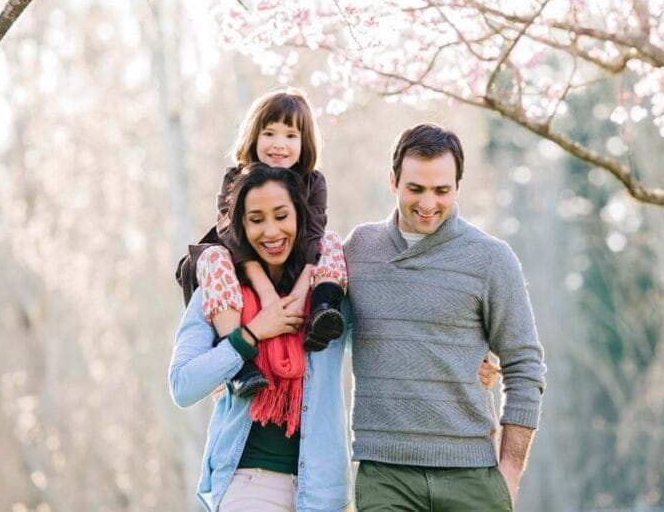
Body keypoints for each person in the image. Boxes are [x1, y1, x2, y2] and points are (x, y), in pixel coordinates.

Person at [344, 123, 546, 511]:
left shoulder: (490, 259)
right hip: (386, 476)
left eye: (442, 190)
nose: (428, 203)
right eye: (415, 188)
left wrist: (509, 473)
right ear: (393, 181)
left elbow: (524, 365)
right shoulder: (359, 250)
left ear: (458, 187)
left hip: (472, 475)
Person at [169, 164, 352, 511]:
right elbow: (182, 385)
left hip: (322, 491)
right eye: (256, 219)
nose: (271, 231)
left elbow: (386, 336)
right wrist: (250, 335)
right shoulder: (222, 292)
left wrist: (470, 358)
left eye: (281, 215)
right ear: (241, 227)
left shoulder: (328, 292)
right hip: (247, 483)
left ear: (301, 219)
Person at [201, 88, 344, 397]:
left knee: (331, 241)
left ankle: (323, 313)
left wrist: (299, 294)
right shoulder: (236, 179)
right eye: (269, 133)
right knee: (212, 256)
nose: (279, 144)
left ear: (304, 143)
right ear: (253, 136)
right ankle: (239, 365)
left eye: (291, 135)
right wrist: (265, 293)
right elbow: (233, 238)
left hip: (296, 268)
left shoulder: (313, 182)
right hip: (244, 265)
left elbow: (314, 238)